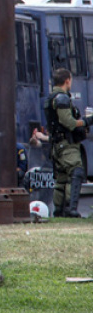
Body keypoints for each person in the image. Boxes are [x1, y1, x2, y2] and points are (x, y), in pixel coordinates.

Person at [45, 68, 91, 218]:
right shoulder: (62, 98)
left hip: (57, 144)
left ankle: (59, 210)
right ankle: (71, 209)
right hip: (66, 145)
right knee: (76, 171)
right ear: (67, 81)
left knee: (62, 178)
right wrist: (87, 121)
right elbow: (69, 123)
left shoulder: (51, 98)